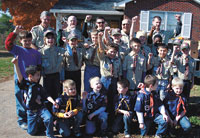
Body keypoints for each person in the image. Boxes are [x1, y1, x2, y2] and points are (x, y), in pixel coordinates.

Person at [5, 25, 41, 130]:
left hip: (32, 80)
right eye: (25, 41)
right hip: (20, 79)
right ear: (20, 41)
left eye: (29, 40)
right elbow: (8, 45)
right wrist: (14, 33)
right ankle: (22, 120)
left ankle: (32, 118)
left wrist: (37, 78)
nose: (27, 42)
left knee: (32, 98)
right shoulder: (17, 50)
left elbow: (39, 67)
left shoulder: (36, 53)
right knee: (20, 99)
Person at [12, 57, 57, 138]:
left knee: (49, 117)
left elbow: (46, 95)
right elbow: (20, 77)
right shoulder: (25, 85)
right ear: (30, 76)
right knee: (32, 132)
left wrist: (53, 102)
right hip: (31, 112)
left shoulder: (38, 86)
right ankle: (39, 123)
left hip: (41, 108)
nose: (39, 77)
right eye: (37, 75)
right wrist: (16, 64)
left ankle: (50, 134)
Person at [98, 32, 122, 128]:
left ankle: (111, 123)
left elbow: (119, 72)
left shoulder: (117, 60)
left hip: (114, 81)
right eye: (111, 51)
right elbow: (100, 49)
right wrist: (100, 38)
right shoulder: (103, 58)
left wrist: (119, 81)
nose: (112, 53)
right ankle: (103, 122)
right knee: (104, 100)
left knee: (113, 101)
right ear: (107, 51)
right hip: (105, 81)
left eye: (114, 52)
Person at [39, 30, 65, 99]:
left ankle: (57, 109)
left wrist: (66, 42)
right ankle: (48, 109)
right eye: (48, 38)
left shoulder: (60, 50)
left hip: (57, 75)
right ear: (44, 40)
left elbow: (68, 54)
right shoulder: (41, 52)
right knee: (47, 95)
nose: (50, 40)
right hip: (46, 76)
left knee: (57, 94)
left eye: (52, 38)